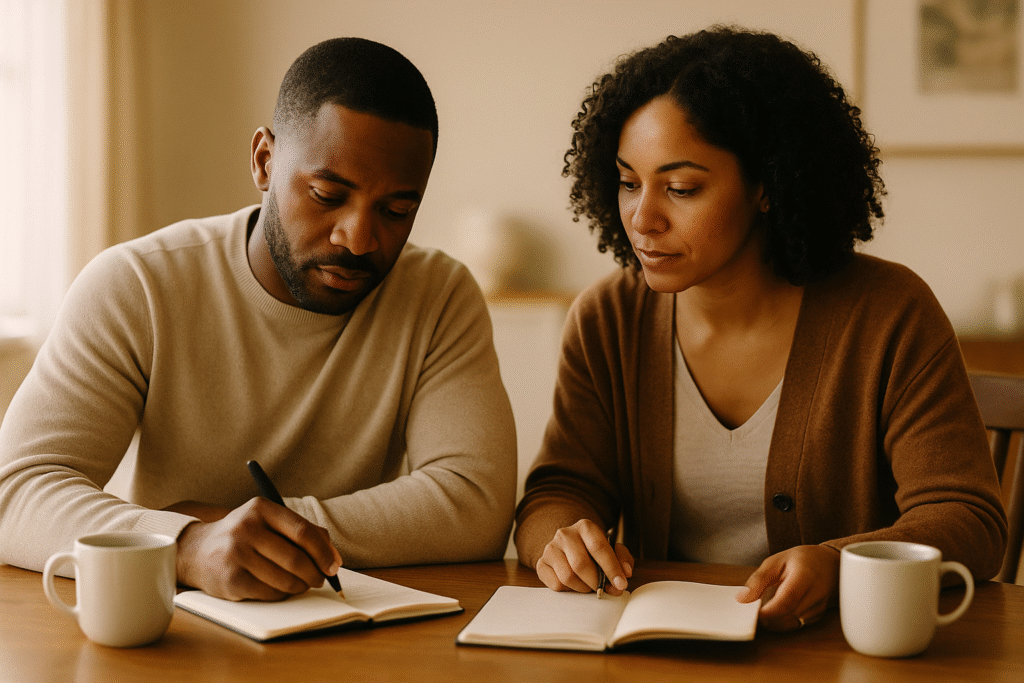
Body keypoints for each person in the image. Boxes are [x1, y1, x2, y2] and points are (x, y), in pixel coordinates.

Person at [513, 26, 1007, 631]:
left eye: (681, 188)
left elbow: (968, 518)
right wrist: (559, 542)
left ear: (768, 185)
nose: (643, 218)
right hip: (660, 657)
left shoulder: (889, 314)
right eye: (627, 182)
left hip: (836, 654)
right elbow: (558, 489)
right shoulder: (608, 319)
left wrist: (838, 564)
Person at [0, 38, 516, 601]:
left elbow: (475, 504)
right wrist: (191, 545)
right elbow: (16, 492)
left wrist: (249, 529)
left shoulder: (439, 296)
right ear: (264, 162)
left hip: (346, 626)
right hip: (170, 627)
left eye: (397, 211)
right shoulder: (138, 284)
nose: (359, 238)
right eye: (326, 195)